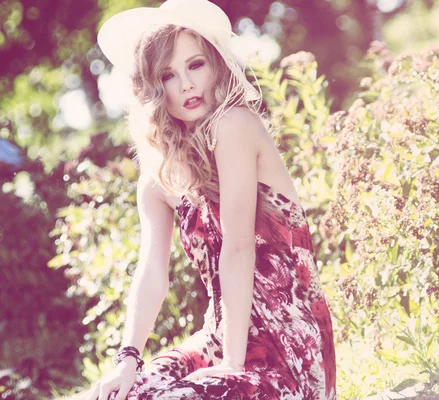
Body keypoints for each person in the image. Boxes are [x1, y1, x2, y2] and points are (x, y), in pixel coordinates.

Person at [86, 0, 337, 399]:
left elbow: (238, 249)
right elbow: (152, 272)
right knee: (122, 394)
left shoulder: (234, 125)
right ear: (152, 88)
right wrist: (127, 359)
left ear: (215, 65)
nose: (186, 83)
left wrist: (231, 370)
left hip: (288, 345)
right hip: (217, 340)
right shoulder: (157, 180)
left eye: (195, 65)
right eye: (168, 74)